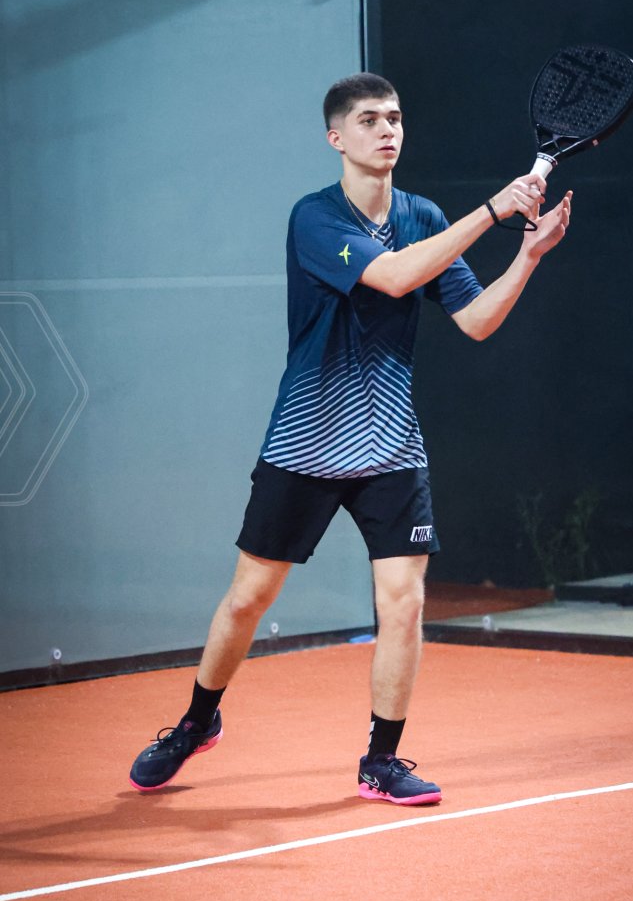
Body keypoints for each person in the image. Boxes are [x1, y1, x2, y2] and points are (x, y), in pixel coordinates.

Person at [129, 72, 571, 805]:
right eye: (369, 120)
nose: (387, 130)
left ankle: (382, 760)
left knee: (404, 602)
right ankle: (196, 722)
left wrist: (526, 256)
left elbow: (476, 321)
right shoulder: (314, 218)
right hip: (305, 443)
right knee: (247, 600)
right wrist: (495, 210)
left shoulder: (423, 216)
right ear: (336, 137)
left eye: (394, 117)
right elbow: (392, 277)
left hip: (391, 447)